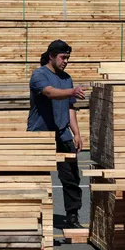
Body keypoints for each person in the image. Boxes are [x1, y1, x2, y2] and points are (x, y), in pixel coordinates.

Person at [27, 39, 86, 229]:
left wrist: (76, 133)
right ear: (51, 56)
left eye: (68, 58)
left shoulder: (66, 78)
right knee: (39, 178)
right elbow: (50, 93)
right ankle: (35, 214)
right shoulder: (39, 75)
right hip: (40, 134)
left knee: (71, 178)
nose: (66, 61)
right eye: (63, 57)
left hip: (62, 133)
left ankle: (72, 215)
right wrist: (72, 91)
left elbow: (70, 108)